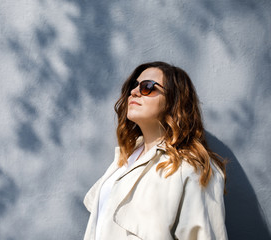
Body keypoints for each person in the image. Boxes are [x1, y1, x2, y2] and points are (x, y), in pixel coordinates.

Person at [83, 61, 228, 240]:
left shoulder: (192, 167)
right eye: (133, 86)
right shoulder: (124, 159)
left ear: (173, 101)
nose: (134, 92)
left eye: (147, 87)